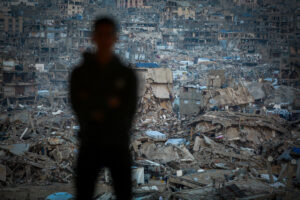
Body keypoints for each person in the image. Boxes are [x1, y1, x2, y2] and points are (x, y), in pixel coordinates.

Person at [70, 17, 138, 200]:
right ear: (93, 37)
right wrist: (110, 104)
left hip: (118, 143)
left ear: (115, 38)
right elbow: (78, 107)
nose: (104, 40)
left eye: (108, 35)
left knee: (124, 194)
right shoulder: (80, 73)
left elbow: (129, 109)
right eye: (100, 35)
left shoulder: (126, 74)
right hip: (90, 143)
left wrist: (94, 103)